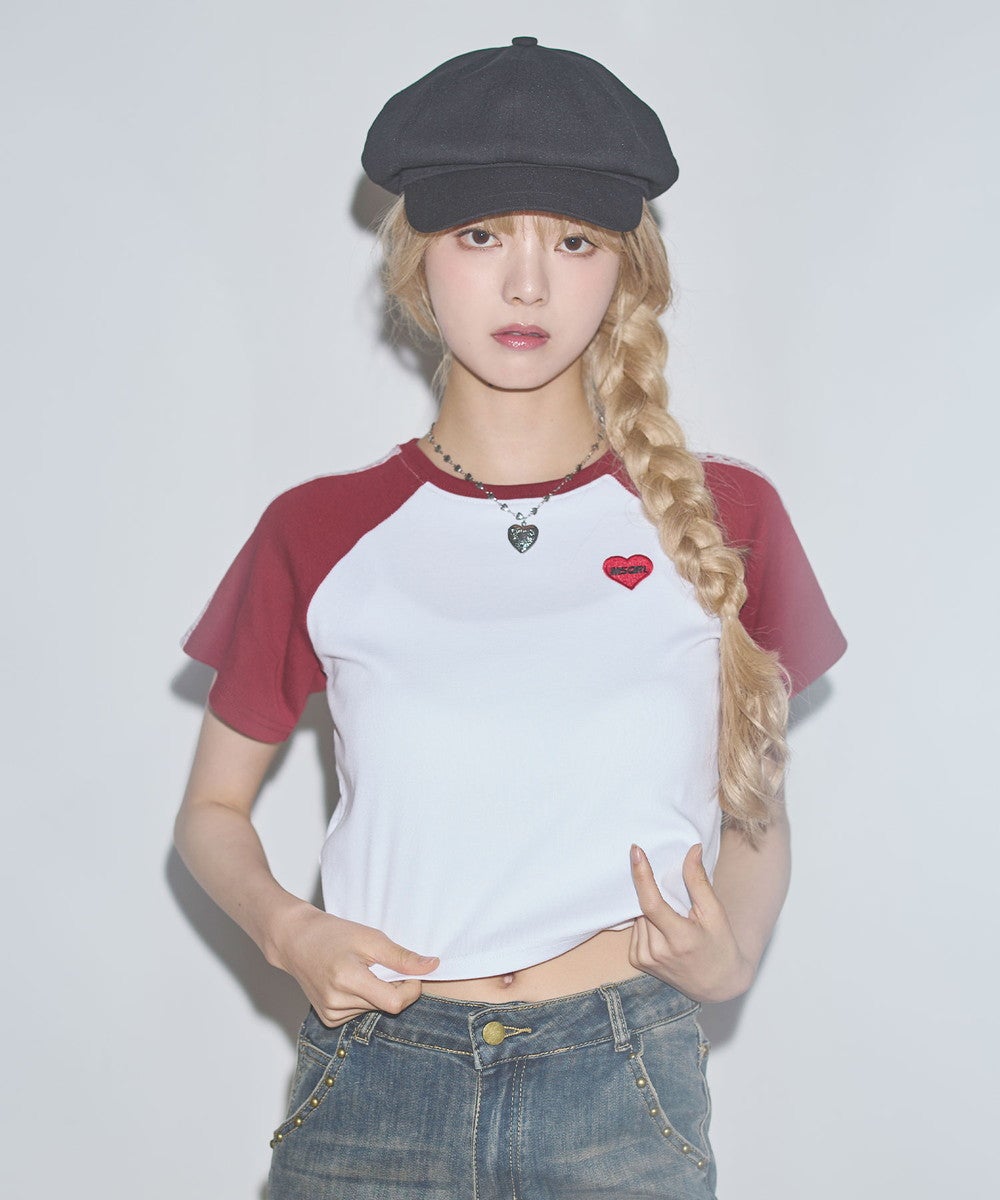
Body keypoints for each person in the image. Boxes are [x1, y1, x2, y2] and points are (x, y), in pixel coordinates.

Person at [175, 38, 846, 1199]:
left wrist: (729, 957)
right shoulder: (316, 530)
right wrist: (291, 933)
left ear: (624, 269)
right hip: (375, 1079)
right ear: (416, 259)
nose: (526, 285)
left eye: (573, 242)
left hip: (620, 1083)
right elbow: (210, 812)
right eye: (481, 236)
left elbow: (755, 809)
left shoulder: (727, 516)